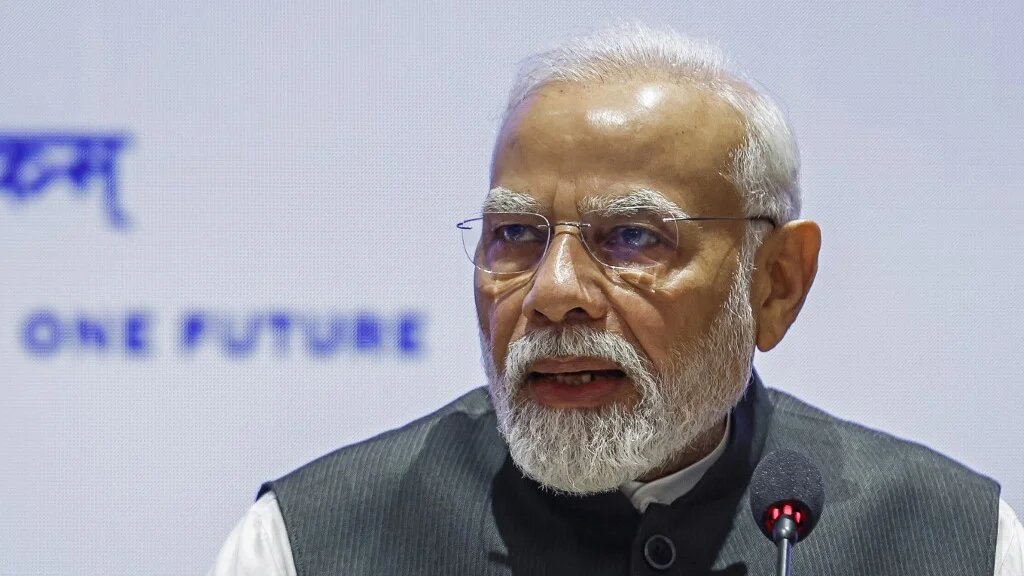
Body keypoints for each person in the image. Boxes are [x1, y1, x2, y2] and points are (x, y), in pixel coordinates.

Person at [209, 25, 1023, 576]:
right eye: (517, 234)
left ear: (774, 283)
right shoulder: (311, 546)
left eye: (633, 238)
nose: (554, 293)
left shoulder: (956, 543)